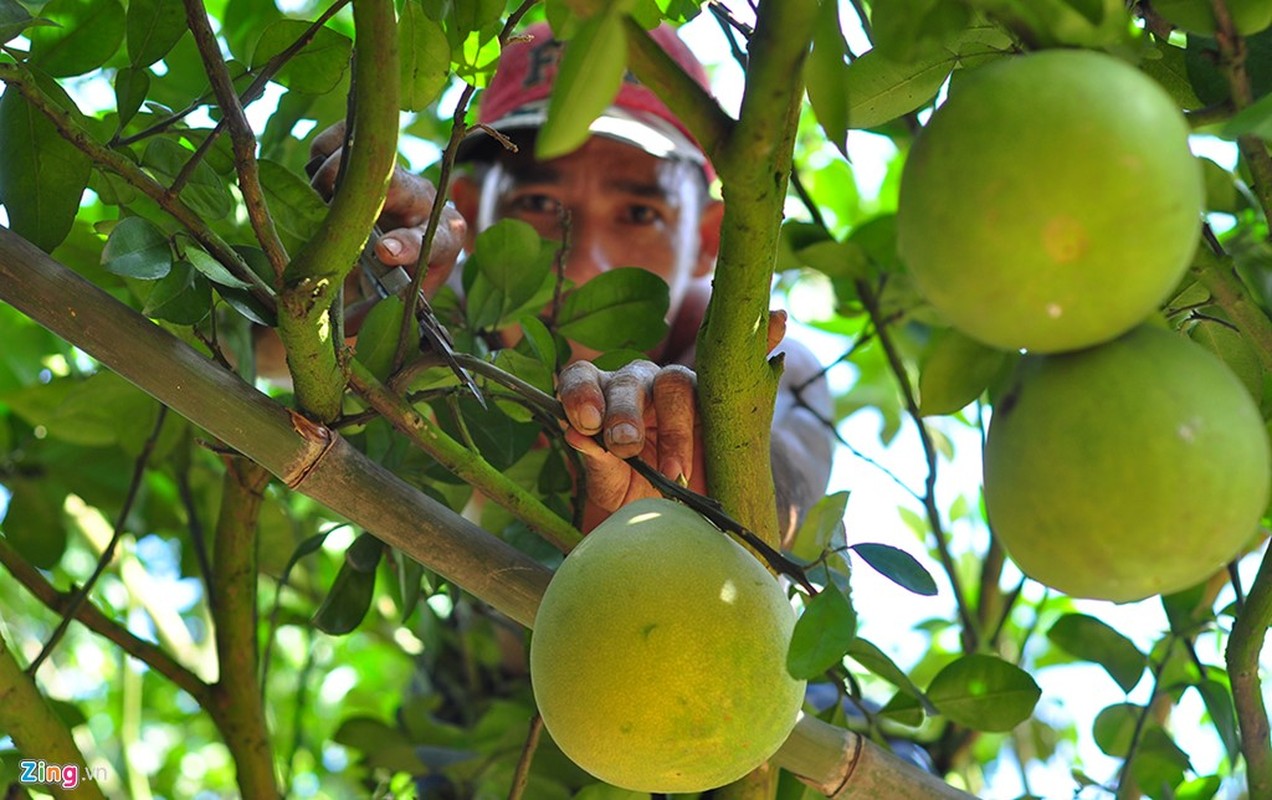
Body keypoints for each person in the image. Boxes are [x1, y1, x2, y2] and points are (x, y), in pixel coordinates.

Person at [308, 22, 833, 536]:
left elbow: (778, 501)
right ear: (466, 211)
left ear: (707, 240)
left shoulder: (766, 366)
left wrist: (689, 458)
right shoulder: (437, 307)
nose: (580, 264)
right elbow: (254, 352)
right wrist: (344, 279)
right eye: (538, 203)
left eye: (640, 213)